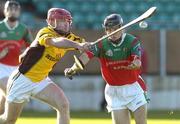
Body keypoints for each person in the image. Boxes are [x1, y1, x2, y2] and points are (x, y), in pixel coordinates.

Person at [0, 7, 89, 124]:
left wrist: (87, 48)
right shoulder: (45, 33)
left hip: (41, 80)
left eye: (67, 21)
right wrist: (78, 45)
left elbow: (87, 48)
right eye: (62, 21)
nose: (66, 25)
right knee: (8, 120)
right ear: (51, 22)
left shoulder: (70, 37)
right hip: (22, 80)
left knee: (63, 105)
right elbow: (57, 42)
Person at [65, 14, 147, 124]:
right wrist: (72, 69)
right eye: (108, 29)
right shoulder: (101, 44)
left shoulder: (132, 41)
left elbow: (137, 61)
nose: (111, 32)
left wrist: (135, 64)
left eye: (114, 29)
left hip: (133, 88)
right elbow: (85, 58)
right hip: (114, 92)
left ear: (120, 27)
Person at [0, 0, 33, 114]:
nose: (13, 12)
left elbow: (32, 48)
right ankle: (9, 120)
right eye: (10, 9)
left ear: (19, 12)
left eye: (16, 10)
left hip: (16, 68)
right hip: (1, 67)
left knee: (4, 100)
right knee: (10, 92)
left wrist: (25, 52)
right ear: (5, 11)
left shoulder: (23, 29)